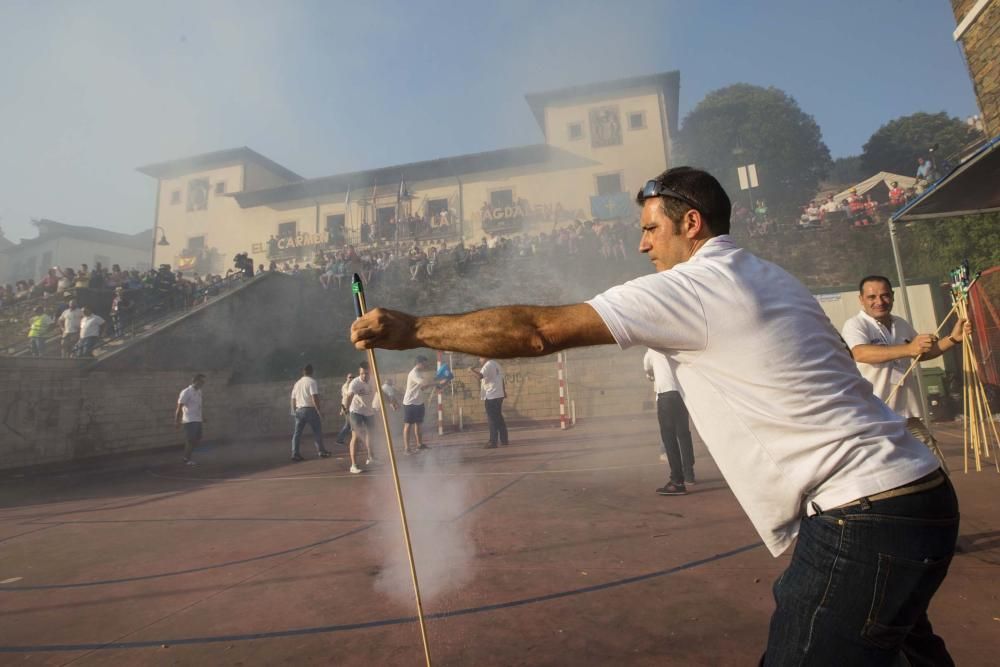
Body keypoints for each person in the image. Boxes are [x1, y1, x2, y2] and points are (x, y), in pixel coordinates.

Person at [350, 166, 958, 665]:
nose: (642, 245)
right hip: (919, 492)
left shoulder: (693, 284)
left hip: (863, 513)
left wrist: (415, 329)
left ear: (690, 224)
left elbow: (537, 332)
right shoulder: (774, 277)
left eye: (650, 229)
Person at [841, 275, 970, 469]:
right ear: (861, 299)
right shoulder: (856, 325)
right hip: (876, 416)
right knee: (887, 472)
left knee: (936, 467)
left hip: (908, 415)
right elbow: (860, 353)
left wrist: (952, 338)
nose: (879, 302)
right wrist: (909, 349)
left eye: (885, 296)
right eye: (872, 297)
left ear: (892, 296)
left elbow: (923, 354)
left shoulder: (900, 324)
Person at [643, 348, 694, 495]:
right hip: (682, 395)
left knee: (669, 438)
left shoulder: (652, 349)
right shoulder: (677, 346)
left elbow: (647, 368)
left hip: (666, 395)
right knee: (684, 434)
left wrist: (651, 375)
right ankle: (689, 474)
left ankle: (677, 481)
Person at [289, 364, 332, 462]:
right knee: (317, 431)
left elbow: (293, 398)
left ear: (302, 372)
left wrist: (293, 410)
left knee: (297, 433)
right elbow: (314, 397)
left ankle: (295, 454)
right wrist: (319, 411)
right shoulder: (312, 382)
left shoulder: (297, 383)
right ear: (312, 371)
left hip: (299, 410)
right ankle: (321, 451)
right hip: (310, 410)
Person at [402, 355, 442, 454]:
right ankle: (407, 448)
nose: (426, 364)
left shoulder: (419, 373)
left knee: (418, 424)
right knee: (408, 425)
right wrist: (436, 382)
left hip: (419, 402)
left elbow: (422, 387)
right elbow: (424, 383)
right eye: (424, 363)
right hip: (410, 403)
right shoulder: (414, 373)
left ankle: (419, 445)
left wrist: (435, 384)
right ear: (419, 363)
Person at [346, 361, 378, 473]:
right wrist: (345, 409)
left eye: (366, 373)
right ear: (359, 373)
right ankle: (353, 465)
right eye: (362, 373)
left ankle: (371, 458)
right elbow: (349, 397)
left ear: (370, 373)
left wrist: (391, 401)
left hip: (369, 411)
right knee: (356, 436)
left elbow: (380, 392)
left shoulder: (374, 380)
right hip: (356, 411)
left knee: (371, 434)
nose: (364, 376)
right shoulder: (355, 383)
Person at [471, 357, 507, 448]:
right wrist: (504, 391)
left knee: (492, 419)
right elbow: (501, 379)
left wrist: (471, 371)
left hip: (491, 396)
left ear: (485, 357)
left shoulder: (487, 365)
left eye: (480, 358)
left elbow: (480, 376)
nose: (479, 360)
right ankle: (504, 439)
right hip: (499, 395)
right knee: (498, 417)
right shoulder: (496, 364)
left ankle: (493, 442)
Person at [175, 374, 206, 465]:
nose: (203, 383)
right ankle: (186, 459)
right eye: (201, 381)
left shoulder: (199, 391)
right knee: (191, 439)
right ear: (195, 381)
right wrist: (177, 421)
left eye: (204, 381)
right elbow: (179, 407)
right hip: (189, 419)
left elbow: (198, 407)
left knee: (198, 437)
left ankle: (188, 454)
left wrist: (202, 417)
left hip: (198, 419)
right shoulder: (186, 392)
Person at [335, 372, 354, 445]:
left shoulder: (351, 385)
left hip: (349, 407)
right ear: (347, 378)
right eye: (350, 377)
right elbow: (347, 395)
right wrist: (343, 409)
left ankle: (340, 439)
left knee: (349, 425)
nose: (351, 378)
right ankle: (339, 439)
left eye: (352, 377)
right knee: (348, 425)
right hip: (346, 407)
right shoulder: (346, 386)